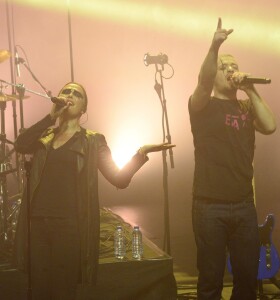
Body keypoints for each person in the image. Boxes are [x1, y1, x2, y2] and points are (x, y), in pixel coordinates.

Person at [13, 82, 174, 300]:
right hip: (38, 224)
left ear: (83, 109)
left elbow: (119, 179)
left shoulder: (92, 140)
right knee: (39, 291)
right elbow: (21, 144)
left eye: (76, 94)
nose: (69, 95)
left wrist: (140, 154)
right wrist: (50, 117)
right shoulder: (45, 136)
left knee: (62, 291)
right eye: (65, 91)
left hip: (68, 226)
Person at [189, 18, 276, 300]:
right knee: (211, 281)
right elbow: (203, 80)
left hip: (243, 206)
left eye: (234, 66)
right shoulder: (202, 104)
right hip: (209, 206)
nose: (230, 70)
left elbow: (270, 126)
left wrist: (249, 87)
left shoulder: (246, 107)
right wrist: (215, 47)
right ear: (214, 73)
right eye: (224, 67)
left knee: (246, 282)